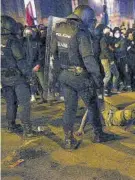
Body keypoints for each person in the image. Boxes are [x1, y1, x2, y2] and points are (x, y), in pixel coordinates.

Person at [50, 5, 114, 150]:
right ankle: (98, 134)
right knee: (93, 105)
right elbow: (88, 58)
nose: (91, 23)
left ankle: (68, 140)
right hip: (80, 76)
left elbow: (53, 53)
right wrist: (97, 77)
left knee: (70, 108)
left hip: (64, 75)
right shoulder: (81, 32)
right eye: (90, 20)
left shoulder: (59, 28)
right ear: (84, 17)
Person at [1, 15, 38, 137]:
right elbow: (20, 61)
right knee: (24, 103)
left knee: (11, 102)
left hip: (4, 78)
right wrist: (30, 75)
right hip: (17, 78)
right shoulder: (12, 41)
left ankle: (11, 125)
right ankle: (27, 129)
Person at [23, 26, 44, 103]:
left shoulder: (37, 43)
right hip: (28, 66)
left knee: (42, 82)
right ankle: (33, 96)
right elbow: (22, 56)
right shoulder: (23, 43)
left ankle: (45, 96)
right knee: (31, 82)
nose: (28, 34)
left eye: (30, 32)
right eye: (27, 33)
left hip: (37, 66)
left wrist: (38, 64)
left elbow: (41, 55)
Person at [100, 26, 119, 96]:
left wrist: (114, 47)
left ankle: (112, 89)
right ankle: (101, 90)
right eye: (107, 31)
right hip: (105, 59)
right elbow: (105, 50)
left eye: (109, 31)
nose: (109, 33)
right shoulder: (103, 40)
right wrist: (111, 59)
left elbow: (112, 47)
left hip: (110, 58)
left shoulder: (109, 39)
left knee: (116, 74)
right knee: (108, 75)